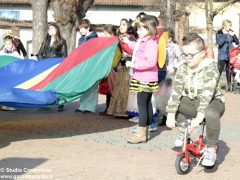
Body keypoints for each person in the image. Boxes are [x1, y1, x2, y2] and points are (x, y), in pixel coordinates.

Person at [158, 32, 225, 167]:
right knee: (161, 100)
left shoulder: (211, 67)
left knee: (210, 113)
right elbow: (176, 92)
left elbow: (207, 94)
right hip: (192, 101)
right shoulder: (183, 67)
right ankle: (184, 128)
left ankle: (211, 148)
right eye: (185, 55)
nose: (187, 58)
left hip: (213, 102)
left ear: (202, 53)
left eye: (191, 55)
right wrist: (170, 115)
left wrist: (199, 117)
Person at [123, 15, 159, 144]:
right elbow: (137, 48)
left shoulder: (150, 43)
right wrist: (128, 42)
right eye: (138, 28)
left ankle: (141, 133)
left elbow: (150, 62)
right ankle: (146, 131)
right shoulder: (143, 41)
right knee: (146, 104)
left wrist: (134, 65)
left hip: (145, 78)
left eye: (142, 29)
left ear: (149, 29)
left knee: (142, 105)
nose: (138, 31)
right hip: (143, 77)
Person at [107, 18, 136, 117]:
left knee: (125, 89)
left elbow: (134, 51)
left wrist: (126, 53)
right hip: (121, 65)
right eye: (120, 25)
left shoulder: (131, 37)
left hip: (129, 65)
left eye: (124, 24)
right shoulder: (119, 37)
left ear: (128, 26)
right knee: (119, 88)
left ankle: (125, 111)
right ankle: (117, 111)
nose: (122, 27)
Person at [38, 22, 68, 111]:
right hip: (46, 66)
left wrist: (60, 66)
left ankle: (60, 103)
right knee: (47, 85)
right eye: (49, 28)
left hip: (56, 66)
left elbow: (64, 55)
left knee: (58, 85)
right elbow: (40, 53)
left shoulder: (62, 41)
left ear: (57, 30)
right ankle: (47, 103)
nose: (50, 30)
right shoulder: (45, 41)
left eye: (52, 28)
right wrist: (42, 62)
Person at [75, 19, 98, 114]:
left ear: (88, 27)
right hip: (82, 65)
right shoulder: (81, 39)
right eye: (80, 29)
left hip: (91, 66)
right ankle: (83, 106)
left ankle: (90, 107)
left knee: (92, 87)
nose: (80, 30)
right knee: (83, 86)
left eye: (82, 28)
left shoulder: (94, 38)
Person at [98, 24, 118, 115]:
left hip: (112, 69)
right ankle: (108, 108)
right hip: (108, 68)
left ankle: (111, 109)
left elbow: (116, 56)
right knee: (108, 91)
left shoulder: (115, 43)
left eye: (106, 34)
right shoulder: (110, 43)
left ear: (111, 33)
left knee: (111, 90)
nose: (104, 36)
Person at [0, 35, 23, 111]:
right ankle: (3, 104)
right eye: (6, 44)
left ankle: (9, 104)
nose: (8, 46)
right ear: (4, 44)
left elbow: (21, 62)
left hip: (12, 74)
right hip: (3, 75)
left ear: (12, 44)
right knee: (3, 89)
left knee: (10, 89)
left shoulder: (15, 53)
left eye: (9, 44)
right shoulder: (1, 53)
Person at [216, 19, 239, 91]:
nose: (229, 27)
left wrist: (234, 35)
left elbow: (237, 42)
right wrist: (225, 34)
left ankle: (229, 85)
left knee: (229, 70)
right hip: (222, 54)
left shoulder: (231, 32)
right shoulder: (219, 32)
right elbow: (220, 42)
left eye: (230, 25)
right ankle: (215, 85)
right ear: (224, 25)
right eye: (227, 25)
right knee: (220, 70)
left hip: (230, 54)